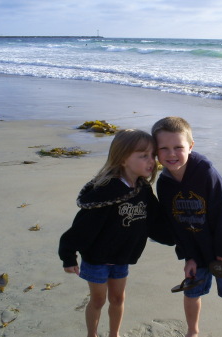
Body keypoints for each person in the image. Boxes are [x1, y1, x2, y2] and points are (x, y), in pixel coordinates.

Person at [59, 129, 174, 337]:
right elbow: (81, 229)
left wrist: (178, 238)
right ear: (123, 159)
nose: (152, 161)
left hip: (122, 257)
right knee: (98, 300)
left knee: (118, 299)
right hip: (97, 259)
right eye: (143, 156)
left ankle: (115, 333)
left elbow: (156, 223)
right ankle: (92, 334)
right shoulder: (107, 192)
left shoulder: (143, 190)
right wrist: (68, 256)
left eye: (152, 156)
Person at [151, 117, 222, 337]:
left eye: (178, 147)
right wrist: (188, 255)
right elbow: (174, 223)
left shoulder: (205, 172)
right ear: (156, 152)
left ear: (190, 146)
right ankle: (193, 331)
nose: (171, 154)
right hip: (195, 248)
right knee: (191, 291)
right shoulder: (164, 183)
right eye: (164, 148)